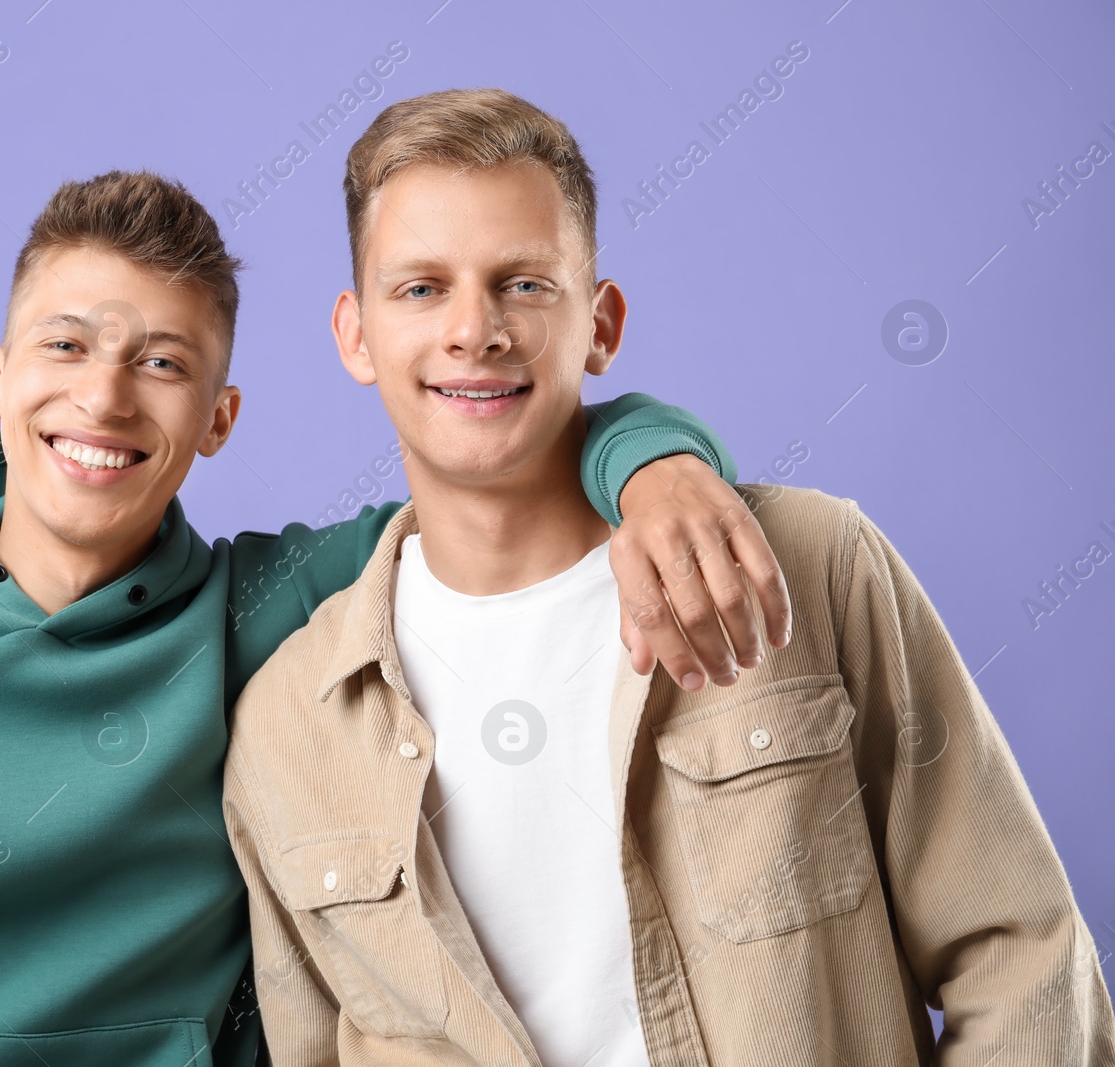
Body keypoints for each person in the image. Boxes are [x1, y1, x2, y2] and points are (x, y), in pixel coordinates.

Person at [0, 169, 786, 1066]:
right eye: (65, 345)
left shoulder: (262, 611)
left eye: (162, 363)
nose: (104, 395)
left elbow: (498, 470)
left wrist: (658, 465)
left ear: (218, 418)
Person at [223, 88, 1115, 1066]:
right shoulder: (285, 727)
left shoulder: (810, 564)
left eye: (523, 283)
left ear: (600, 322)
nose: (473, 329)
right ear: (355, 333)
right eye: (421, 288)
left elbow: (1023, 954)